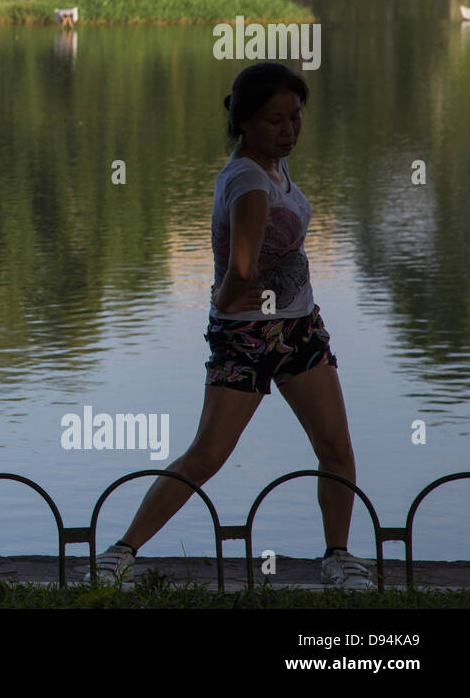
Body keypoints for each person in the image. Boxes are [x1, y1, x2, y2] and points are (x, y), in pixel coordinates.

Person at [85, 63, 375, 591]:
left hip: (300, 330)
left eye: (295, 117)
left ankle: (339, 557)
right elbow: (242, 270)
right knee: (208, 455)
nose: (288, 130)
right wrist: (223, 302)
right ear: (244, 123)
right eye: (274, 121)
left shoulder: (272, 168)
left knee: (335, 448)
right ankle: (119, 553)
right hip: (250, 336)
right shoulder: (248, 180)